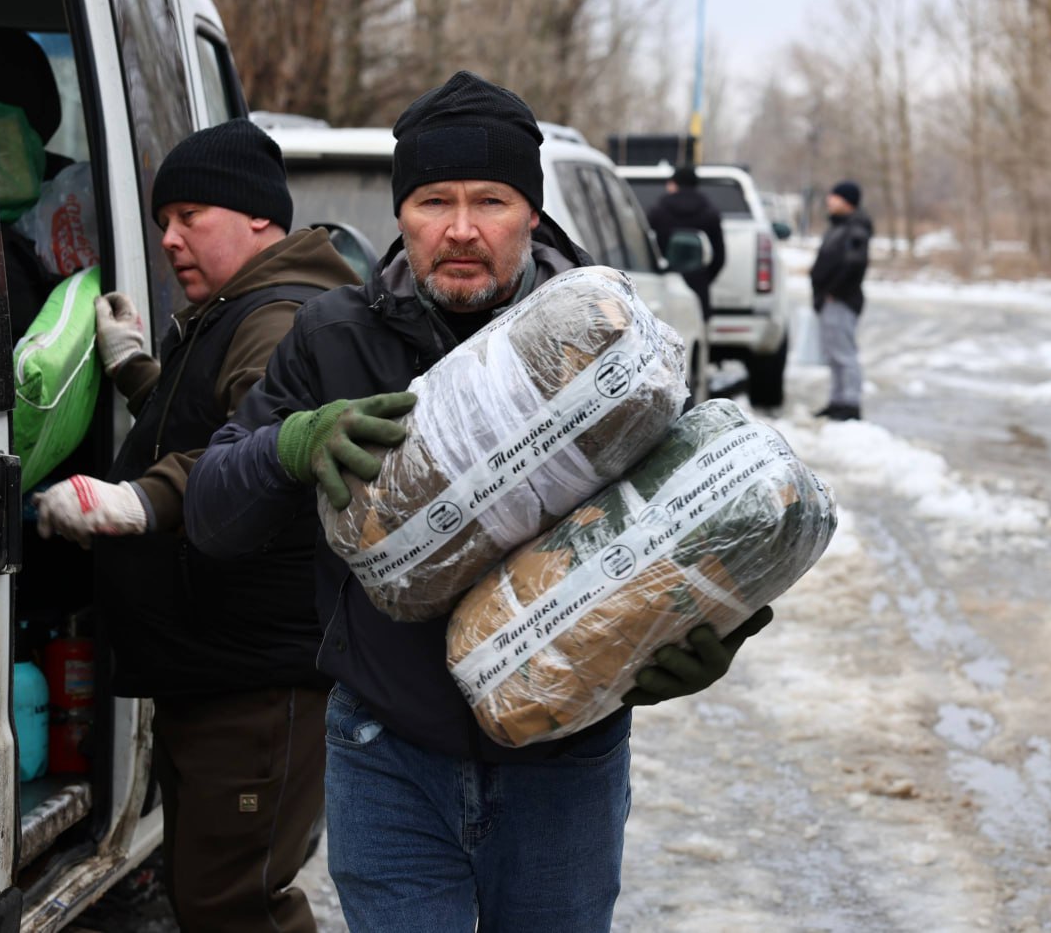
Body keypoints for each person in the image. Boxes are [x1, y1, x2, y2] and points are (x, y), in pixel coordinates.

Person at [184, 71, 773, 932]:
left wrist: (710, 631)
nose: (460, 229)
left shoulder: (611, 349)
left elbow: (696, 523)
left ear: (531, 213)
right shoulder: (334, 338)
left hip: (564, 761)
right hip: (387, 753)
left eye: (490, 201)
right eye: (434, 201)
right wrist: (292, 443)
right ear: (402, 215)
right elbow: (210, 516)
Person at [32, 118, 361, 933]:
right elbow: (210, 422)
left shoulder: (278, 316)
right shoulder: (236, 306)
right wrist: (137, 370)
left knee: (237, 904)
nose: (169, 240)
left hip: (257, 679)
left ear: (258, 215)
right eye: (162, 222)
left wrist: (137, 500)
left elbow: (252, 447)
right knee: (208, 894)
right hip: (219, 667)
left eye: (189, 217)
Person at [810, 179, 872, 421]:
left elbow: (854, 264)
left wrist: (834, 291)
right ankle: (838, 401)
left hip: (842, 300)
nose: (829, 200)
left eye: (835, 196)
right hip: (831, 299)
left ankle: (850, 403)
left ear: (847, 201)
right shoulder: (840, 226)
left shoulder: (855, 228)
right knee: (833, 353)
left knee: (844, 354)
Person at [647, 165, 726, 319]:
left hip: (664, 285)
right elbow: (720, 257)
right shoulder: (710, 213)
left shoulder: (658, 212)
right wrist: (703, 277)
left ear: (673, 184)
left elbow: (646, 248)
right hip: (698, 286)